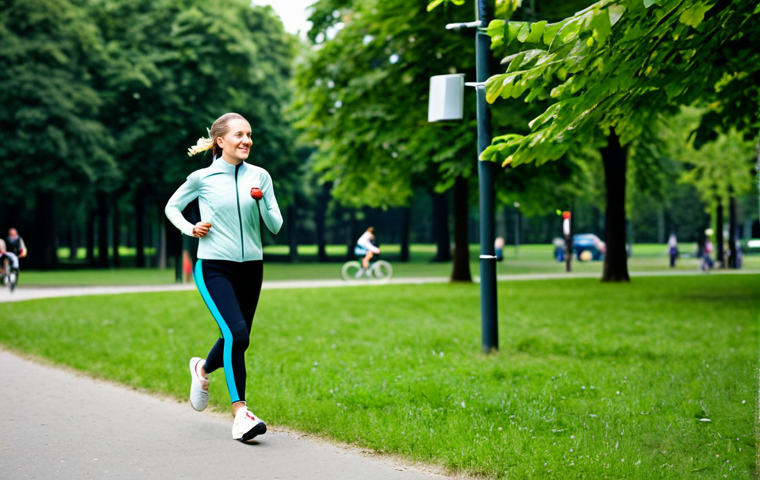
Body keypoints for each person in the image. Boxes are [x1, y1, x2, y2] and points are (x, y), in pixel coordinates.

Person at [165, 113, 283, 442]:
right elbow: (172, 207)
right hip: (214, 266)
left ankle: (202, 369)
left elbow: (275, 225)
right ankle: (241, 414)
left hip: (252, 268)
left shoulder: (260, 176)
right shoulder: (201, 179)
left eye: (249, 134)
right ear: (221, 141)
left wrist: (260, 202)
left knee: (238, 337)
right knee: (236, 334)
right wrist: (191, 228)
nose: (247, 140)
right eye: (239, 135)